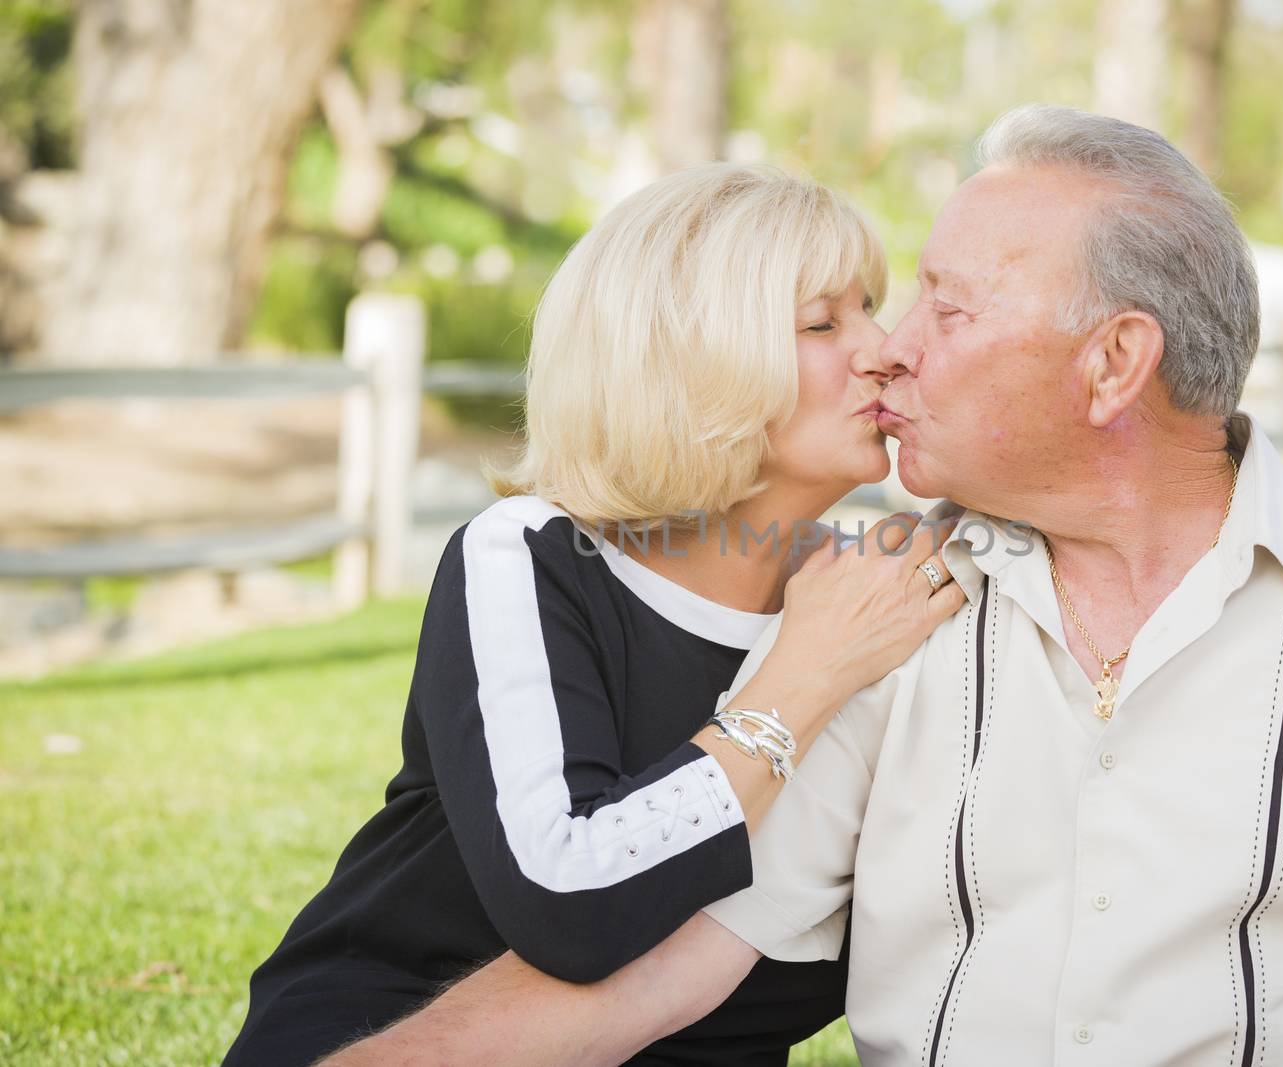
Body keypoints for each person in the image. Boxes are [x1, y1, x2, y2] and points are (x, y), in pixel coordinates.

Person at [324, 105, 1283, 1067]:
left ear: (1111, 366)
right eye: (859, 313)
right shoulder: (880, 601)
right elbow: (657, 971)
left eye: (942, 304)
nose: (895, 348)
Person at [221, 162, 966, 1067]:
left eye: (870, 308)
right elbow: (568, 898)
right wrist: (802, 678)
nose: (881, 348)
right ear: (695, 364)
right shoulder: (530, 555)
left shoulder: (872, 594)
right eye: (822, 321)